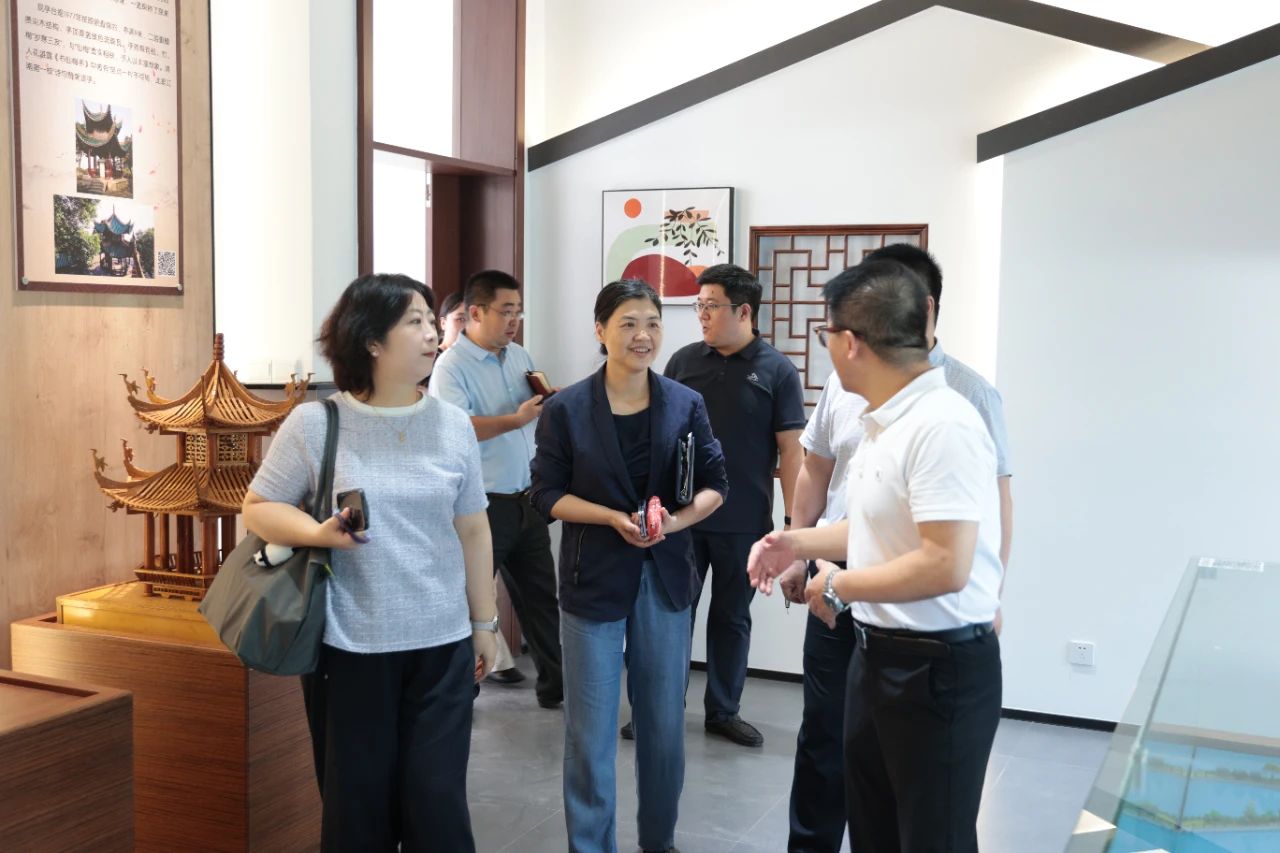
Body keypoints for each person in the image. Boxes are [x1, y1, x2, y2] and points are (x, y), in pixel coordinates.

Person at [749, 258, 1003, 853]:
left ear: (852, 343)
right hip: (876, 652)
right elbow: (871, 528)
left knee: (930, 837)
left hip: (936, 667)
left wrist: (841, 586)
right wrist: (794, 542)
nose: (828, 349)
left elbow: (944, 564)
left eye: (826, 334)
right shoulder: (883, 421)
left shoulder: (943, 425)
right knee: (874, 830)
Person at [242, 273, 498, 852]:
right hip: (350, 649)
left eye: (432, 320)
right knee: (357, 814)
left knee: (438, 808)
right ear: (372, 341)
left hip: (441, 647)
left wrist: (483, 624)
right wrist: (317, 533)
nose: (433, 334)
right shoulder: (317, 423)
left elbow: (473, 528)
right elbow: (257, 508)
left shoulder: (453, 425)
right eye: (414, 321)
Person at [529, 279, 728, 853]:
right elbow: (544, 494)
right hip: (592, 577)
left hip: (665, 579)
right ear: (600, 330)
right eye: (629, 324)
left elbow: (716, 484)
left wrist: (674, 523)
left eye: (653, 323)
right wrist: (611, 517)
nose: (643, 336)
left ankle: (658, 842)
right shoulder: (567, 408)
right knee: (590, 732)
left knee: (663, 727)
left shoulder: (685, 403)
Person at [648, 263, 804, 748]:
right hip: (684, 517)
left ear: (744, 312)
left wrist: (792, 525)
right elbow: (660, 435)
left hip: (744, 520)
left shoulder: (777, 370)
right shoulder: (683, 362)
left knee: (732, 617)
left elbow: (792, 453)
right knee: (675, 613)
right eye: (699, 305)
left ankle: (723, 711)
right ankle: (662, 709)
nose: (702, 315)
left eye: (711, 306)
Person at [429, 270, 564, 704]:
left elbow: (531, 411)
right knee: (470, 601)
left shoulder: (520, 355)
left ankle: (556, 688)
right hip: (483, 505)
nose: (514, 321)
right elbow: (457, 429)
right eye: (506, 311)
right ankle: (459, 691)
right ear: (475, 312)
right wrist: (515, 419)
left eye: (518, 312)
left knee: (541, 598)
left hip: (527, 497)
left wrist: (549, 403)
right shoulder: (451, 366)